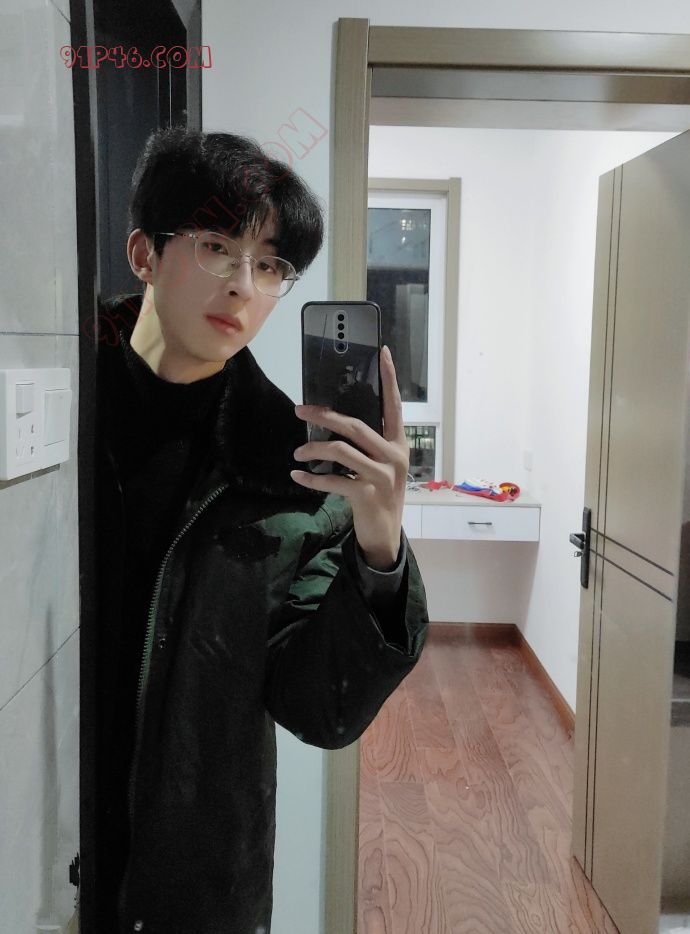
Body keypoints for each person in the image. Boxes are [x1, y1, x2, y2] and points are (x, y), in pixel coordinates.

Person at [93, 126, 430, 934]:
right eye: (217, 247)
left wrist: (378, 547)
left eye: (272, 265)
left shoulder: (293, 473)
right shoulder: (48, 401)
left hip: (194, 875)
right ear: (144, 253)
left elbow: (320, 710)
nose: (244, 287)